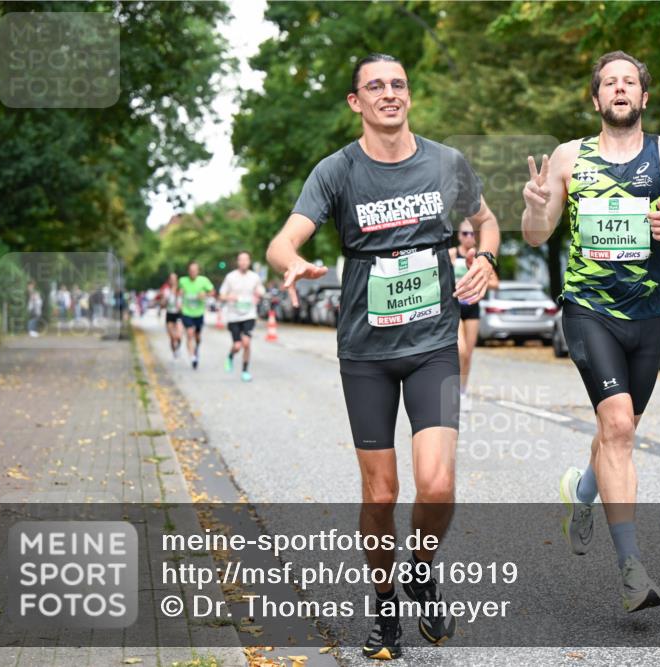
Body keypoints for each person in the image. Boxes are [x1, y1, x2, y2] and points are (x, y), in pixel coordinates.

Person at [267, 53, 499, 660]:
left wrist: (485, 258)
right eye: (375, 86)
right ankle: (386, 605)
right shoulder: (337, 171)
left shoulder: (447, 163)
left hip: (432, 347)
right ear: (356, 102)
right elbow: (284, 238)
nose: (389, 94)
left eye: (398, 85)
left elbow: (486, 221)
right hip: (365, 353)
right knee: (379, 494)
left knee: (438, 484)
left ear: (409, 96)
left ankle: (420, 569)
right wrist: (291, 260)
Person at [521, 50, 660, 613]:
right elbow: (537, 235)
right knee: (619, 426)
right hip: (589, 310)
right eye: (609, 82)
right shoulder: (568, 158)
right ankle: (631, 570)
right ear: (597, 98)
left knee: (618, 433)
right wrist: (534, 208)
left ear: (644, 97)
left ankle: (582, 494)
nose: (620, 89)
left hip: (651, 314)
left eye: (630, 82)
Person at [448, 219, 499, 406]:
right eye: (464, 234)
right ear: (459, 236)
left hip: (472, 307)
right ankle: (452, 390)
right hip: (455, 307)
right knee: (460, 351)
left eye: (472, 234)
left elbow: (494, 283)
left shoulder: (480, 258)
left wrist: (478, 280)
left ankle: (462, 392)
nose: (468, 237)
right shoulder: (452, 254)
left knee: (468, 354)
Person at [219, 251, 264, 382]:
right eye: (241, 260)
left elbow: (261, 290)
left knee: (246, 343)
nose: (243, 262)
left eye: (246, 260)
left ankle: (245, 371)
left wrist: (259, 294)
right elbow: (221, 295)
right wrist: (229, 297)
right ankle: (230, 356)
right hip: (233, 316)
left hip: (249, 315)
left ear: (249, 262)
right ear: (237, 262)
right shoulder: (230, 277)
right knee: (237, 346)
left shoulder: (254, 277)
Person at [177, 261, 215, 370]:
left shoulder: (204, 280)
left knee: (197, 337)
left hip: (199, 313)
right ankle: (193, 357)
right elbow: (179, 292)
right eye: (191, 270)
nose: (193, 272)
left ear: (198, 271)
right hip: (187, 312)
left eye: (195, 270)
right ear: (188, 271)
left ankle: (196, 348)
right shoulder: (183, 281)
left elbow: (213, 292)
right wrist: (180, 294)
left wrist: (205, 294)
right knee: (189, 333)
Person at [159, 273, 183, 360]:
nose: (173, 280)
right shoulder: (166, 291)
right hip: (170, 314)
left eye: (175, 279)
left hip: (179, 314)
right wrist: (165, 299)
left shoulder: (181, 290)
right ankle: (174, 351)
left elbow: (185, 302)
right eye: (171, 279)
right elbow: (162, 304)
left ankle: (178, 346)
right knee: (172, 337)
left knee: (179, 335)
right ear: (169, 280)